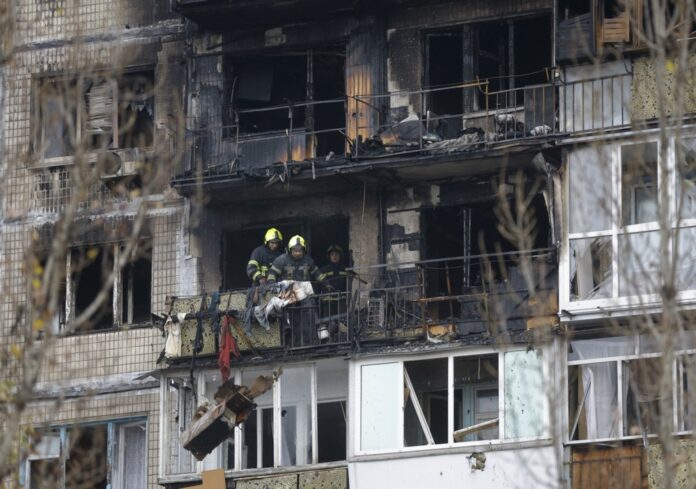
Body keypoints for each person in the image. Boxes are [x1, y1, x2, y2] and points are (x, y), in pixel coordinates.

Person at [267, 235, 320, 346]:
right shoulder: (282, 260)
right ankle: (292, 345)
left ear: (304, 250)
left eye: (300, 251)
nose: (297, 253)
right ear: (290, 250)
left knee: (308, 319)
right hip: (288, 296)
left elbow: (317, 274)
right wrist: (272, 284)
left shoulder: (308, 261)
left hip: (305, 297)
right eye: (295, 251)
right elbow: (272, 273)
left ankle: (310, 344)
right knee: (290, 320)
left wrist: (327, 284)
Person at [243, 228, 283, 333]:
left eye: (276, 243)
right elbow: (250, 268)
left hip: (274, 289)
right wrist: (260, 277)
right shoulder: (258, 252)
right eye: (272, 243)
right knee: (256, 311)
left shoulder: (280, 256)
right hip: (258, 288)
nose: (274, 245)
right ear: (267, 242)